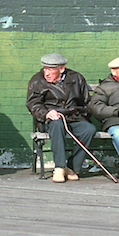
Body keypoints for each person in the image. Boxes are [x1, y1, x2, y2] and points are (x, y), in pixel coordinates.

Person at [26, 53, 95, 183]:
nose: (46, 72)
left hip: (74, 117)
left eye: (51, 69)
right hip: (51, 119)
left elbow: (87, 102)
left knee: (89, 129)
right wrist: (46, 113)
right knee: (57, 124)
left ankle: (72, 167)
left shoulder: (77, 78)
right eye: (45, 68)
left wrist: (83, 114)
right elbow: (33, 103)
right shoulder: (37, 80)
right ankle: (59, 167)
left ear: (61, 69)